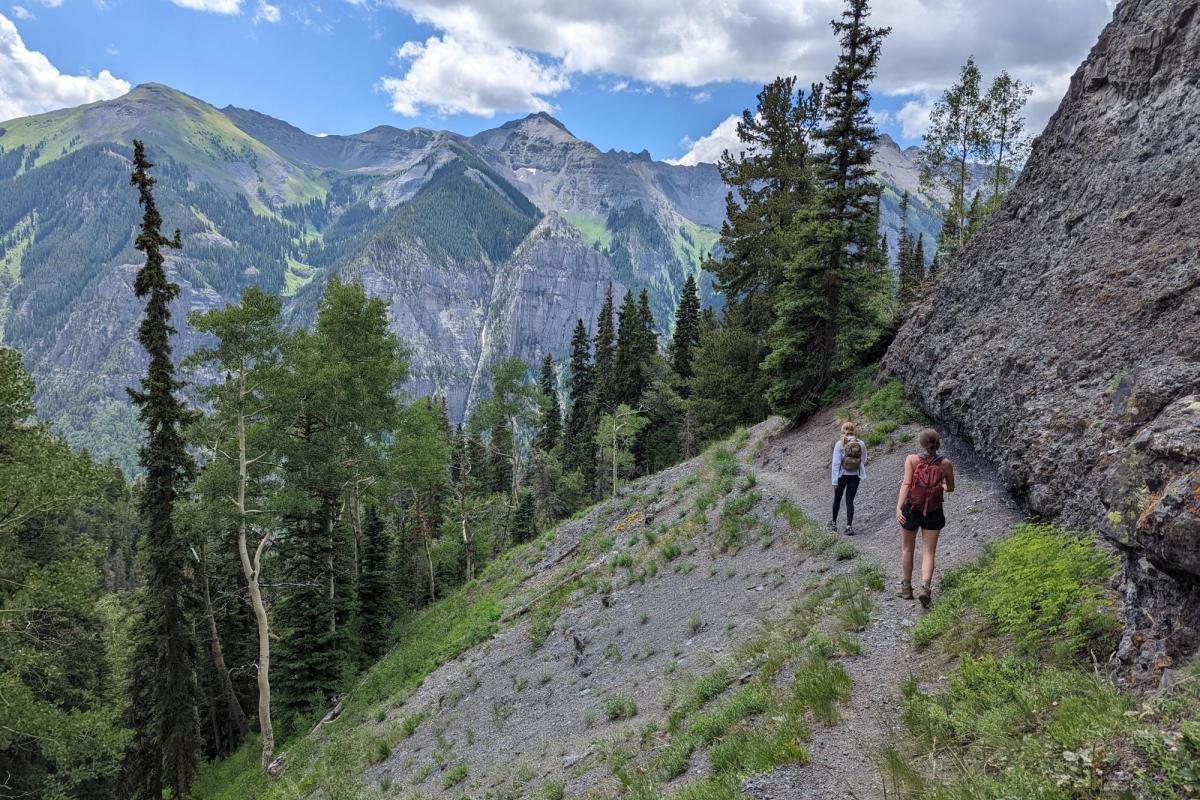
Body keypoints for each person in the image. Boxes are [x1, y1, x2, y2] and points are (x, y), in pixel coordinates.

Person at [895, 428, 955, 607]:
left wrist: (899, 507)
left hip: (912, 509)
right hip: (934, 512)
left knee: (907, 549)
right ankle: (926, 588)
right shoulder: (945, 464)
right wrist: (941, 486)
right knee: (929, 551)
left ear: (921, 444)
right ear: (937, 444)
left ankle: (906, 588)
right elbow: (951, 488)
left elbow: (906, 484)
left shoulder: (912, 459)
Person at [830, 421, 866, 536]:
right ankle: (849, 526)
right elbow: (864, 459)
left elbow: (836, 464)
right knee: (849, 500)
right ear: (853, 430)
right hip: (855, 476)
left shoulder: (839, 444)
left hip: (841, 476)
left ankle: (834, 524)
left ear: (842, 430)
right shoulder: (860, 443)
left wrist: (834, 481)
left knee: (837, 499)